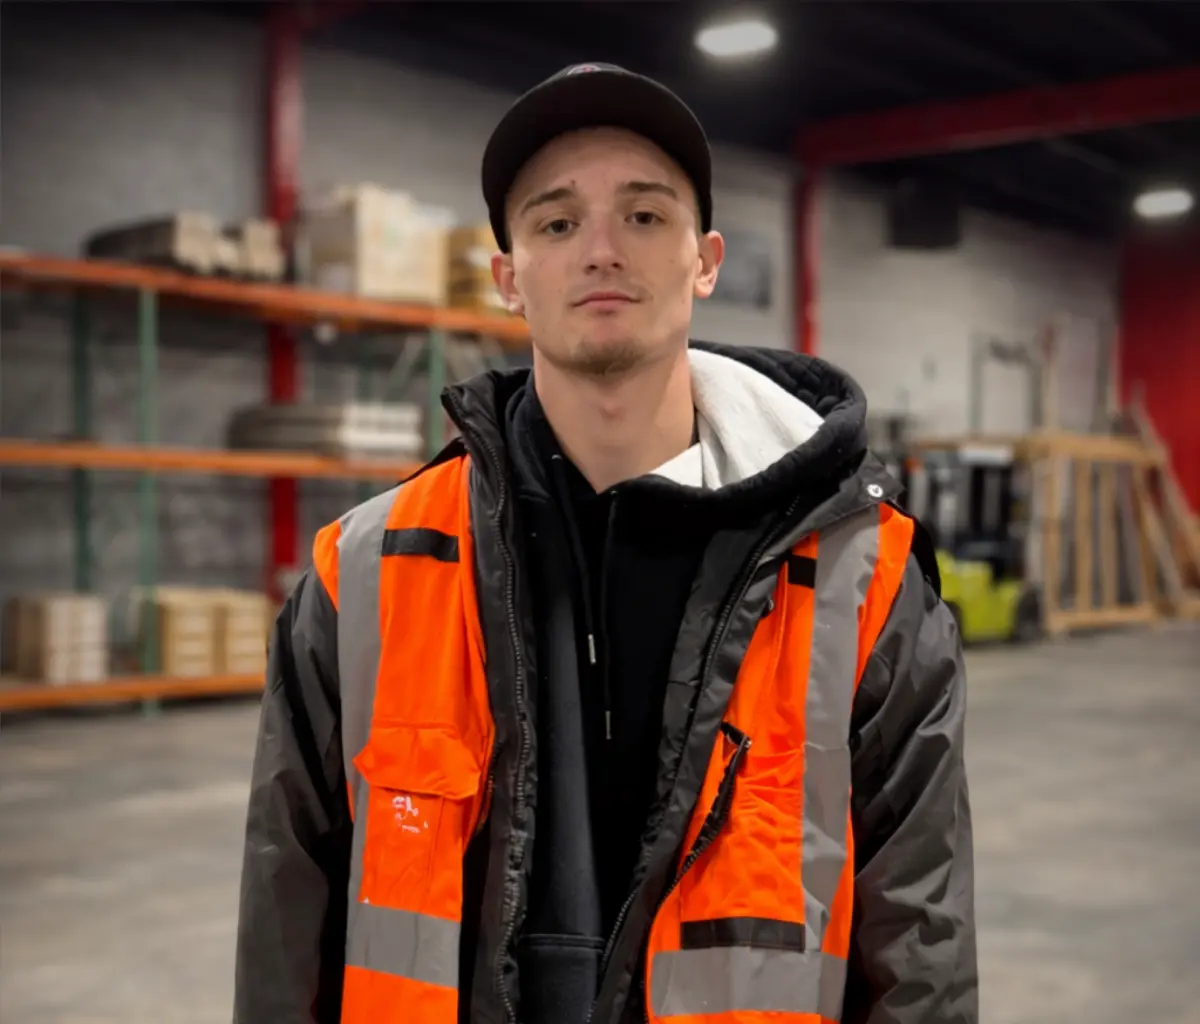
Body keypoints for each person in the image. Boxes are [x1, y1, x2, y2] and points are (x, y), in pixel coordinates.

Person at [233, 62, 978, 1024]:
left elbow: (920, 945)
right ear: (508, 279)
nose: (600, 250)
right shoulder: (365, 576)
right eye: (556, 223)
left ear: (705, 260)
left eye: (643, 215)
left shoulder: (862, 580)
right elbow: (288, 921)